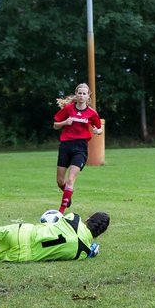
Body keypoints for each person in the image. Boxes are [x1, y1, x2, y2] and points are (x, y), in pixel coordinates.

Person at [0, 211, 109, 262]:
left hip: (23, 233)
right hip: (25, 256)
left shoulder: (75, 218)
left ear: (88, 219)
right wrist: (92, 253)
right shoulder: (83, 253)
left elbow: (57, 217)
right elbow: (86, 249)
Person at [52, 83, 103, 213]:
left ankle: (61, 212)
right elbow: (55, 125)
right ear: (76, 94)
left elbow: (99, 128)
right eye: (79, 93)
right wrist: (65, 122)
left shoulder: (92, 113)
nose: (81, 95)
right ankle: (68, 194)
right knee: (60, 181)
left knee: (70, 179)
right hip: (65, 146)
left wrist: (98, 131)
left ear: (88, 96)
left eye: (84, 93)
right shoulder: (68, 109)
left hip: (80, 147)